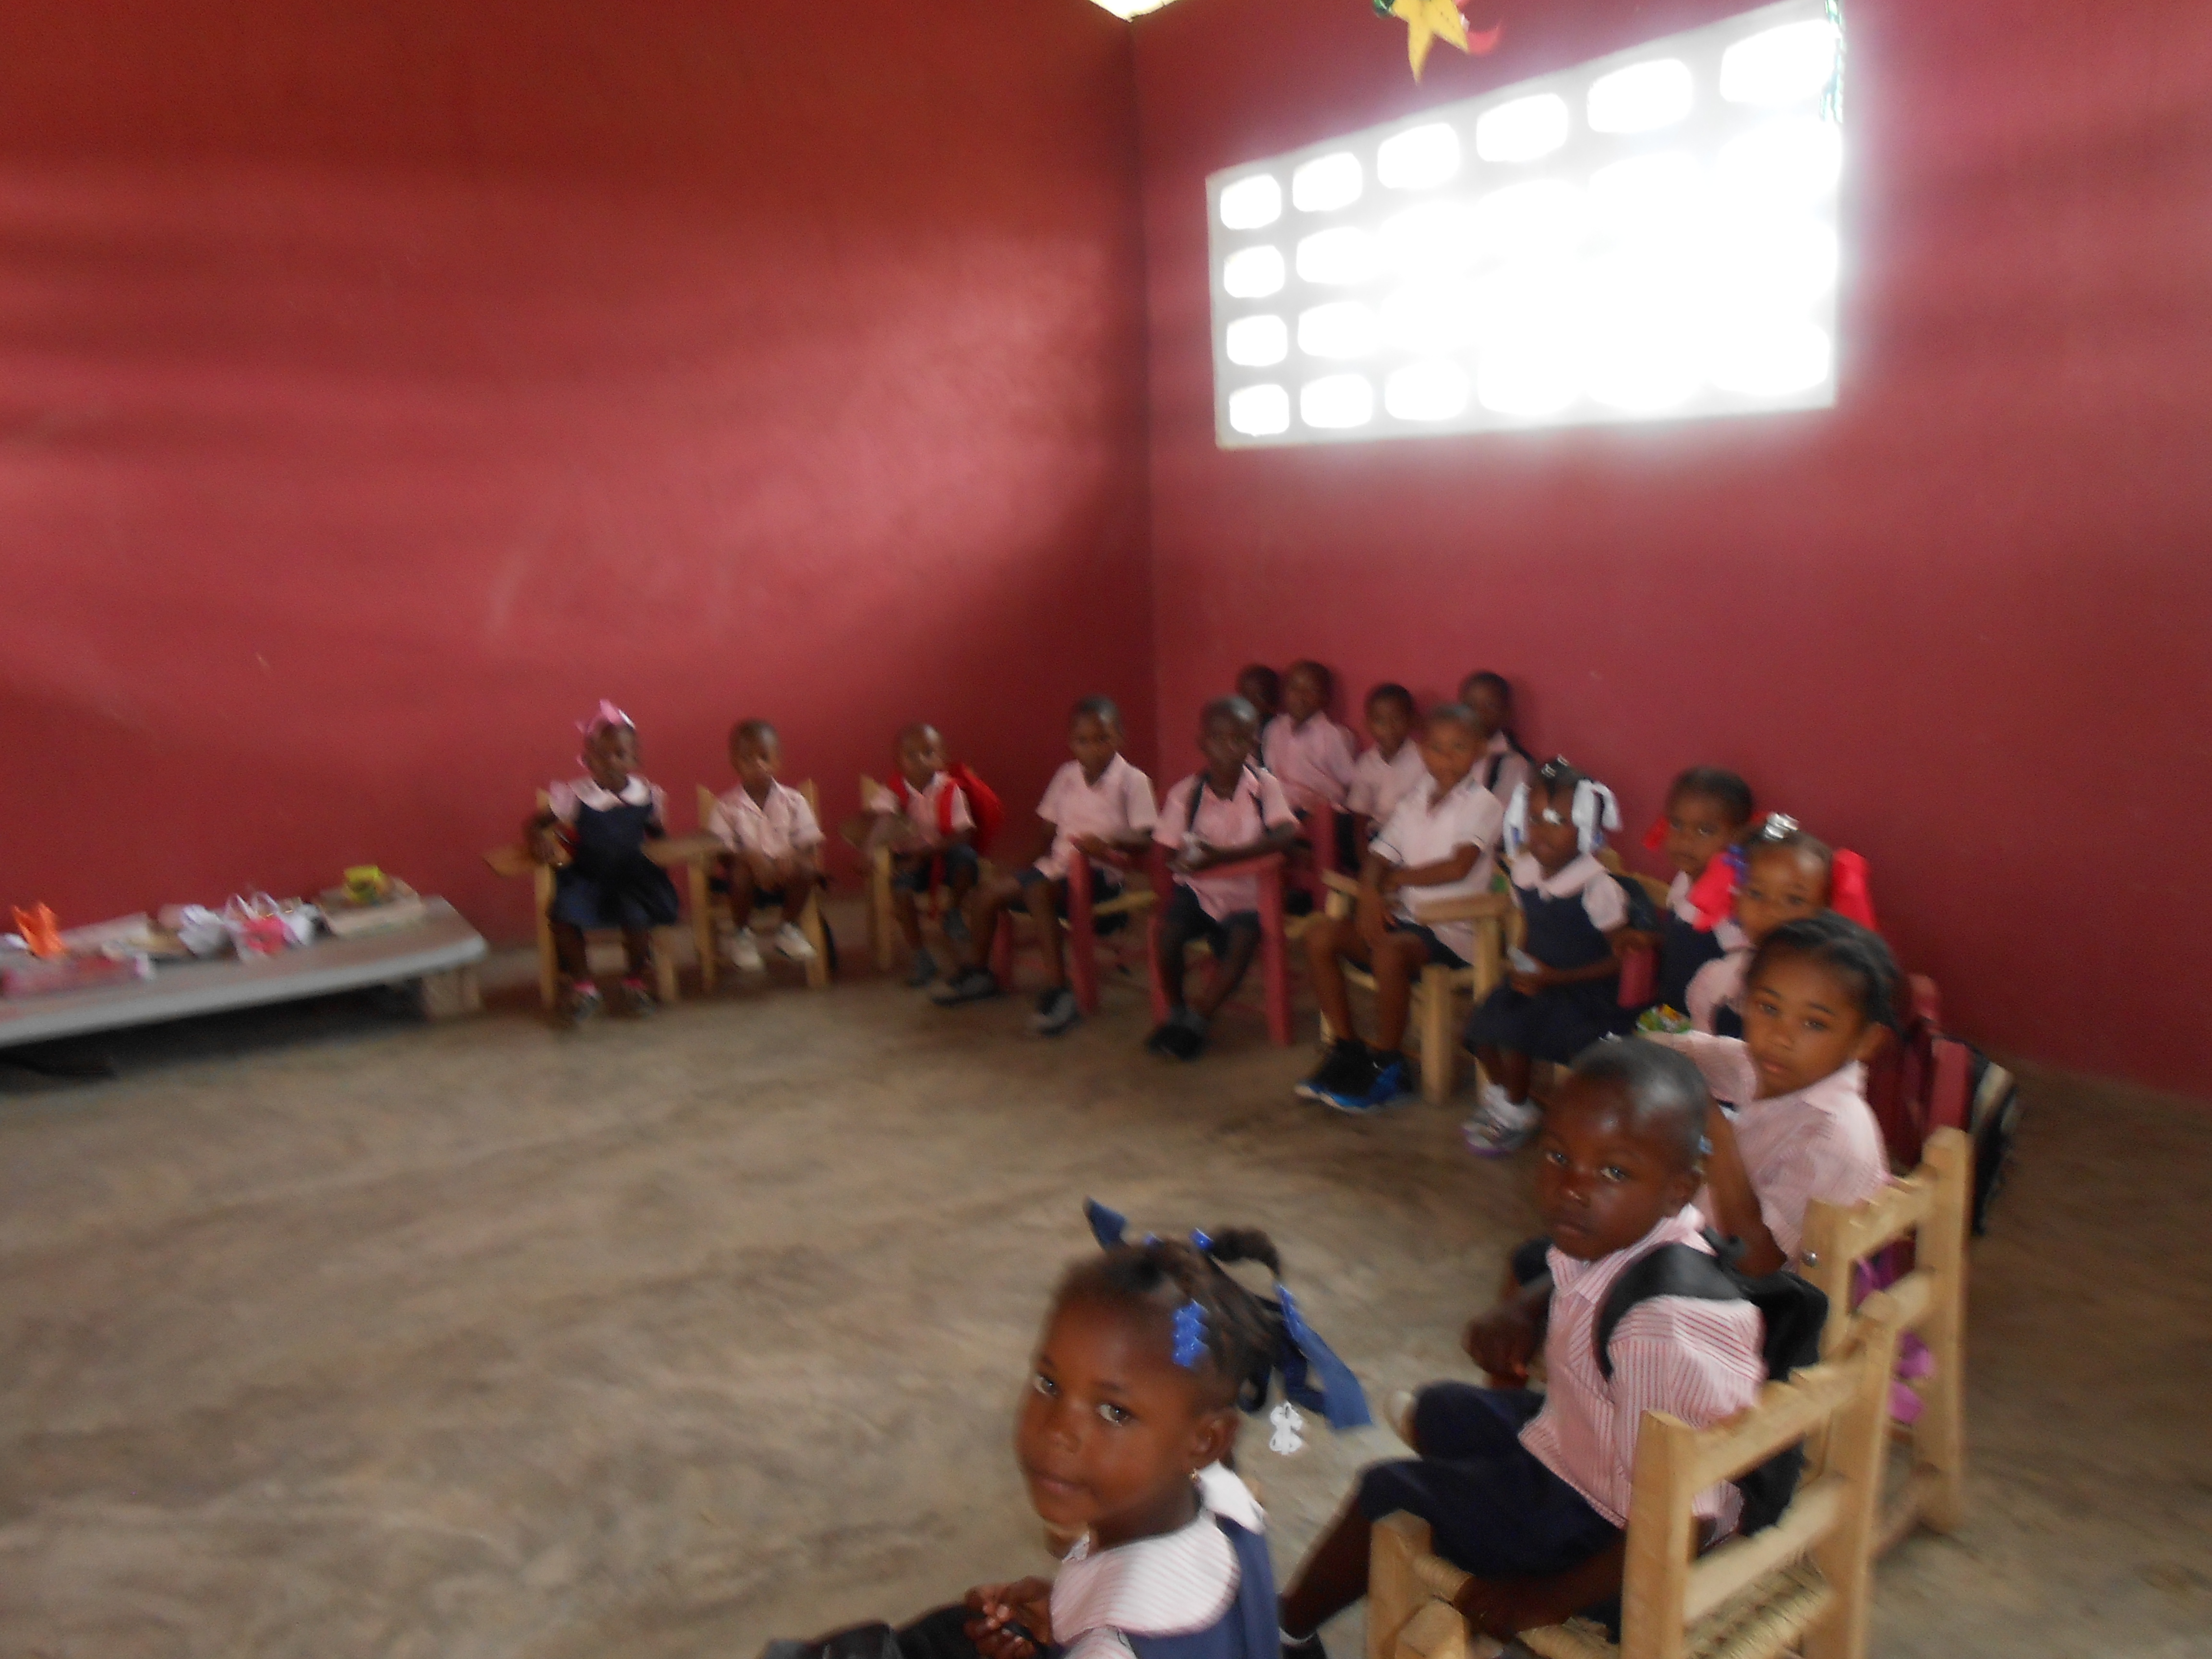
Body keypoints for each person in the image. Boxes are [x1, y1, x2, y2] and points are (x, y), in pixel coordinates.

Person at [1275, 1042, 1764, 1655]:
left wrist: (1552, 1598)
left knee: (1388, 1491)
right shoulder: (1635, 1232)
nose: (1573, 1188)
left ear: (1679, 1189)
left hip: (1615, 1539)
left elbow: (1686, 1515)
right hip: (1592, 1448)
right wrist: (1521, 1307)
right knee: (1444, 1410)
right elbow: (1573, 1271)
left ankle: (1285, 1632)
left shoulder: (1662, 1332)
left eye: (1614, 1172)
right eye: (1559, 1156)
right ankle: (1474, 1510)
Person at [761, 1229, 1301, 1659]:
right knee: (955, 1629)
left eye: (1115, 1412)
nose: (1058, 1430)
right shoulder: (1230, 1504)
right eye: (1048, 1383)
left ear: (1205, 1441)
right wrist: (1068, 1614)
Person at [1653, 914, 1897, 1273]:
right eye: (1769, 1008)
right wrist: (1630, 1051)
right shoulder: (1770, 1071)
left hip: (1753, 1293)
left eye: (1814, 1024)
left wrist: (1715, 1134)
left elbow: (1758, 1263)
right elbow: (1692, 1052)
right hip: (1706, 1247)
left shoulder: (1833, 1136)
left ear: (1865, 1041)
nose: (1780, 1037)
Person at [1296, 705, 1505, 1114]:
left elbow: (1458, 866)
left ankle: (1389, 1064)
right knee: (1321, 934)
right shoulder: (1417, 798)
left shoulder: (1483, 804)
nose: (1446, 758)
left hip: (1454, 932)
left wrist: (1392, 883)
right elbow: (1380, 854)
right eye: (1437, 748)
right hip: (1407, 920)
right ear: (1423, 751)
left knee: (1390, 953)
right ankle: (1347, 1049)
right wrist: (1369, 894)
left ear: (1480, 750)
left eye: (1459, 748)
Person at [932, 698, 1157, 1034]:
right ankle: (980, 973)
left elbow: (1146, 838)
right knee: (987, 894)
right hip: (1055, 869)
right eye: (1083, 741)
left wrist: (1109, 842)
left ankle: (1059, 990)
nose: (1093, 748)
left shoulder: (1133, 781)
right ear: (1071, 742)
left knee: (1037, 890)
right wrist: (1018, 867)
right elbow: (1046, 834)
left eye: (1103, 738)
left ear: (1120, 738)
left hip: (1102, 876)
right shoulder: (1066, 776)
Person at [1461, 759, 1634, 1156]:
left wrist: (1554, 979)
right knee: (1480, 1026)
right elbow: (1529, 925)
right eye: (1535, 819)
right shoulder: (1525, 872)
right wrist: (1520, 961)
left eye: (1559, 821)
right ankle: (1512, 1101)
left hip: (1584, 994)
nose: (1542, 832)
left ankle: (1513, 1109)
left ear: (1587, 827)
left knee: (1518, 1031)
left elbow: (1621, 960)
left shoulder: (1597, 888)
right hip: (1538, 982)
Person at [1148, 697, 1298, 1060]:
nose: (1229, 748)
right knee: (1167, 936)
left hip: (1250, 897)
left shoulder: (1264, 787)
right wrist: (1186, 860)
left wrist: (1225, 857)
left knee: (1242, 943)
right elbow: (1166, 851)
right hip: (1200, 893)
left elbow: (1285, 834)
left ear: (1252, 744)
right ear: (1203, 742)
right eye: (1219, 738)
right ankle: (1177, 1011)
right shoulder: (1187, 794)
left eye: (1239, 739)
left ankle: (1199, 1019)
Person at [526, 700, 681, 1025]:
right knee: (564, 915)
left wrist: (666, 852)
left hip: (632, 878)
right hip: (588, 877)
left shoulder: (648, 796)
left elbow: (658, 836)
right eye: (601, 755)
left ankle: (634, 981)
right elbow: (536, 824)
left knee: (639, 918)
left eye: (621, 754)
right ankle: (584, 985)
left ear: (635, 759)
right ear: (588, 760)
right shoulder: (576, 795)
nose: (611, 762)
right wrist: (539, 838)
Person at [1683, 814, 1875, 1037]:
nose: (1770, 910)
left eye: (1794, 900)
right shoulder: (1724, 971)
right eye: (1756, 894)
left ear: (1826, 911)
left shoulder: (1829, 988)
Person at [852, 725, 992, 987]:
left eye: (929, 753)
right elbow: (882, 821)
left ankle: (953, 912)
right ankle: (921, 955)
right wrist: (869, 849)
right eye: (911, 755)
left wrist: (927, 853)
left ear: (942, 757)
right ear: (899, 762)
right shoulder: (894, 791)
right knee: (901, 890)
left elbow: (963, 834)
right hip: (909, 858)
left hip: (944, 853)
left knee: (966, 858)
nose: (920, 761)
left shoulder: (951, 789)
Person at [1634, 768, 1755, 1019]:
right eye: (1677, 825)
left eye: (1705, 830)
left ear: (1738, 838)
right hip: (1672, 1012)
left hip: (1710, 1024)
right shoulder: (1684, 878)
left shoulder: (1730, 902)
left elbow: (1737, 973)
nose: (1685, 840)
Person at [707, 719, 823, 973]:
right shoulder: (726, 806)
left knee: (807, 869)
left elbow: (809, 842)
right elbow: (722, 852)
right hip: (746, 883)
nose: (758, 764)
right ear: (735, 763)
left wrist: (792, 856)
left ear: (778, 760)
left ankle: (788, 928)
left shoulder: (794, 801)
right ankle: (742, 935)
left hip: (786, 876)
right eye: (748, 759)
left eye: (765, 757)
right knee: (739, 874)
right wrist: (750, 858)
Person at [1345, 683, 1425, 852]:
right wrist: (1363, 853)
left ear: (1412, 720)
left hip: (1415, 835)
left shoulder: (1424, 759)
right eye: (1380, 721)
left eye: (1397, 719)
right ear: (1368, 724)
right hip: (1379, 834)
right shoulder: (1366, 764)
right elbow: (1360, 816)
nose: (1389, 728)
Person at [1455, 672, 1534, 809]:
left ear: (1506, 713)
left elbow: (1500, 812)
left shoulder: (1513, 763)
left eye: (1490, 706)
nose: (1478, 713)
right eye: (1470, 705)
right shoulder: (1447, 752)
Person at [1235, 663, 1283, 730]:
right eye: (1245, 695)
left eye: (1258, 696)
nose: (1250, 702)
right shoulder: (1235, 725)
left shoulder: (1277, 728)